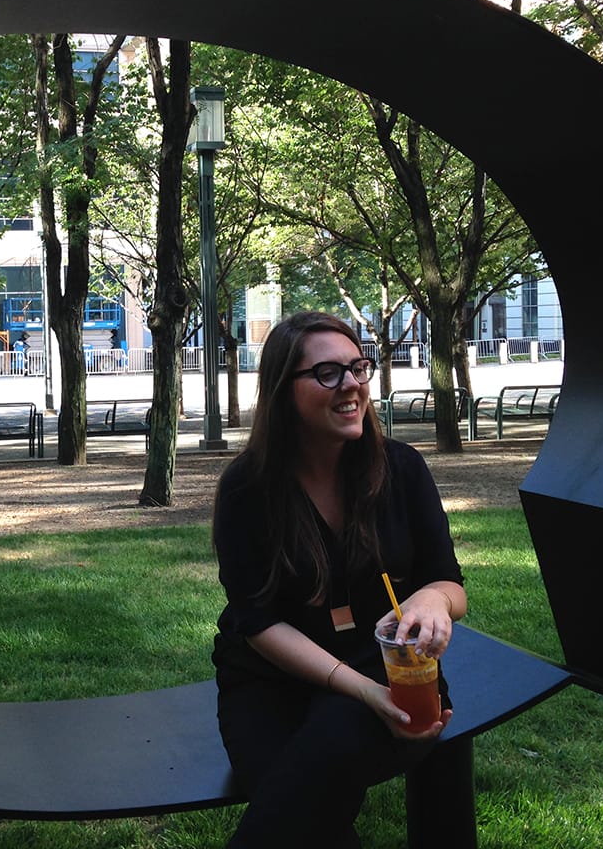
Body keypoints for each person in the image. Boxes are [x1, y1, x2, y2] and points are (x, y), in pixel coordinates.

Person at [212, 311, 469, 848]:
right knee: (304, 809)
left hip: (391, 669)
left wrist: (431, 601)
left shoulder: (401, 469)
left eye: (358, 367)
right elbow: (257, 621)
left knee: (321, 764)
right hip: (271, 679)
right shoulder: (247, 489)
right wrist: (360, 691)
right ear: (284, 391)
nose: (352, 384)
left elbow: (449, 583)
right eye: (328, 373)